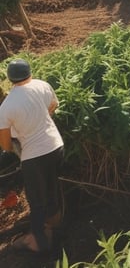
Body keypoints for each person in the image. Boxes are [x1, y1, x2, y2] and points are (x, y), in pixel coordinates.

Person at [0, 59, 64, 255]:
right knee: (52, 192)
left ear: (9, 79)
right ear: (29, 73)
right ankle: (55, 233)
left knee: (36, 201)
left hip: (34, 156)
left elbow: (4, 143)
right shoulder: (43, 85)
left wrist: (16, 147)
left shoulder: (7, 106)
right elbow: (53, 105)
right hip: (56, 146)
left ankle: (40, 244)